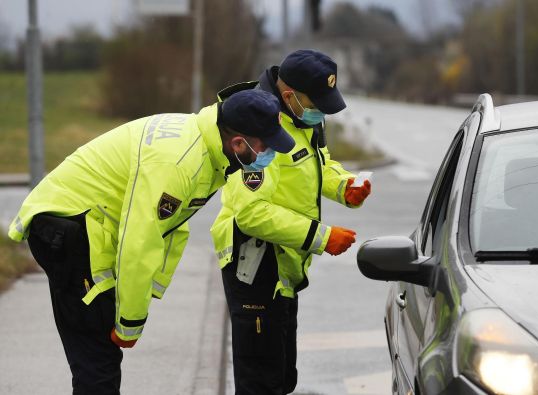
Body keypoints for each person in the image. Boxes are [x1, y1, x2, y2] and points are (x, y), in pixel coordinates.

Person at [6, 89, 295, 395]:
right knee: (97, 357)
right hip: (69, 228)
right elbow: (140, 240)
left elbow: (171, 227)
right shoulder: (180, 163)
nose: (271, 155)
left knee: (98, 357)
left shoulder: (206, 147)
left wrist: (150, 291)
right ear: (239, 143)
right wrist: (130, 321)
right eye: (268, 148)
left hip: (84, 224)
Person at [211, 49, 373, 394]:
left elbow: (317, 163)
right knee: (261, 381)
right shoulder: (257, 125)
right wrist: (322, 236)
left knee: (282, 376)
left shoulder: (304, 117)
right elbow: (251, 213)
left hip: (285, 262)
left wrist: (345, 186)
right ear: (289, 96)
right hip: (254, 264)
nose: (321, 112)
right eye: (317, 104)